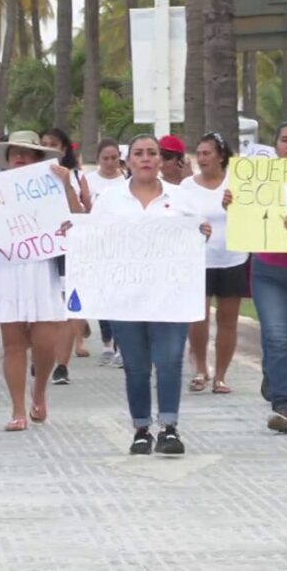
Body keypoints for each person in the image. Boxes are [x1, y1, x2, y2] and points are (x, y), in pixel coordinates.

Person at [93, 134, 211, 455]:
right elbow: (94, 242)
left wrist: (202, 234)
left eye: (152, 153)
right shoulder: (109, 200)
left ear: (161, 160)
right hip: (125, 297)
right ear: (127, 161)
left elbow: (195, 241)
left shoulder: (181, 199)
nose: (145, 158)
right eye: (138, 153)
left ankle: (169, 427)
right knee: (136, 365)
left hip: (170, 296)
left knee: (170, 360)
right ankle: (141, 429)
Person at [225, 120, 287, 432]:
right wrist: (232, 205)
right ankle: (283, 403)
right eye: (285, 140)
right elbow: (248, 214)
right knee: (279, 337)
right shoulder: (257, 179)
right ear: (276, 145)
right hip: (270, 270)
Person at [0, 131, 79, 431]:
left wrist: (66, 186)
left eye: (26, 153)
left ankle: (39, 392)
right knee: (13, 344)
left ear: (38, 157)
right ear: (8, 159)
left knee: (45, 341)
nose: (20, 158)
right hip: (6, 269)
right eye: (14, 153)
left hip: (41, 268)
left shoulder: (56, 183)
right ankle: (17, 409)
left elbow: (78, 217)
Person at [182, 133, 247, 395]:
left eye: (207, 153)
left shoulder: (237, 183)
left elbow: (253, 216)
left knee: (228, 320)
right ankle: (200, 368)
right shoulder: (187, 186)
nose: (201, 158)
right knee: (198, 317)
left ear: (221, 156)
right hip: (199, 260)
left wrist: (235, 207)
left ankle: (221, 376)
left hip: (233, 258)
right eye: (199, 153)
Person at [41, 128, 92, 383]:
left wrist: (66, 185)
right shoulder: (26, 176)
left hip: (68, 249)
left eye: (54, 144)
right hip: (37, 250)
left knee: (67, 308)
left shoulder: (75, 175)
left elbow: (81, 214)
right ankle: (43, 356)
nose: (49, 148)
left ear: (63, 149)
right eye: (44, 144)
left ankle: (61, 364)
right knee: (45, 310)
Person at [86, 138, 127, 367]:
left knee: (120, 296)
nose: (110, 163)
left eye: (114, 158)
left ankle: (121, 346)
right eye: (106, 158)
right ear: (98, 159)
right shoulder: (89, 181)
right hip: (99, 246)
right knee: (104, 296)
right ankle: (106, 342)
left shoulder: (127, 180)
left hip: (121, 247)